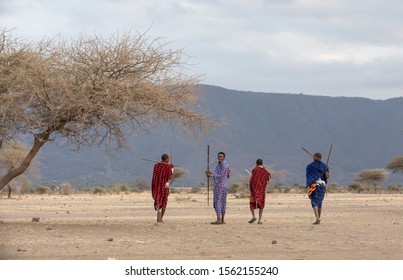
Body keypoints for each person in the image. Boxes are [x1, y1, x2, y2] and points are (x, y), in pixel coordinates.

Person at [205, 152, 230, 224]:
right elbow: (226, 174)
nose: (219, 158)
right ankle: (222, 220)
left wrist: (211, 175)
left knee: (218, 201)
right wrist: (211, 173)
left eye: (221, 157)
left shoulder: (223, 165)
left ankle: (219, 219)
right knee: (223, 202)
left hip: (220, 186)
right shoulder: (225, 164)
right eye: (218, 157)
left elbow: (220, 175)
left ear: (224, 157)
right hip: (224, 185)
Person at [306, 152, 329, 224]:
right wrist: (326, 169)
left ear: (314, 157)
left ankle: (317, 218)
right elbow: (327, 177)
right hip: (322, 186)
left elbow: (309, 176)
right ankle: (318, 218)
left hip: (313, 185)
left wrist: (326, 169)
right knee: (320, 202)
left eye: (314, 157)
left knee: (314, 201)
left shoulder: (310, 166)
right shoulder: (324, 166)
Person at [151, 154, 174, 223]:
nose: (169, 160)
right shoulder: (168, 167)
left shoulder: (156, 166)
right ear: (166, 158)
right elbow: (170, 177)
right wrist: (172, 168)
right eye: (168, 159)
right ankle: (160, 218)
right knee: (164, 201)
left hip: (157, 186)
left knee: (158, 200)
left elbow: (155, 176)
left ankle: (158, 215)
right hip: (164, 186)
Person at [249, 159, 271, 224]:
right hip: (261, 191)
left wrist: (251, 187)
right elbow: (267, 181)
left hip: (254, 190)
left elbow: (252, 180)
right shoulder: (265, 171)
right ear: (262, 163)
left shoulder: (254, 170)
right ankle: (260, 220)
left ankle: (253, 216)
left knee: (252, 202)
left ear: (256, 163)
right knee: (261, 204)